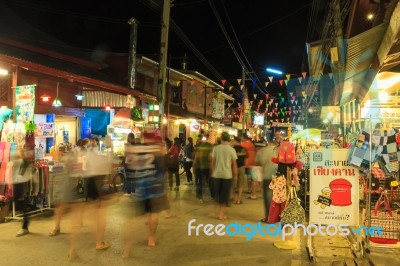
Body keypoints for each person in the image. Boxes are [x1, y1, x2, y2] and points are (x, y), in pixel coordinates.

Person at [122, 132, 169, 257]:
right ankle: (151, 239)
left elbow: (130, 168)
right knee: (153, 214)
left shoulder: (137, 150)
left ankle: (127, 250)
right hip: (154, 187)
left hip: (139, 186)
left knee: (131, 219)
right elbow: (163, 172)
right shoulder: (158, 152)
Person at [210, 132, 238, 220]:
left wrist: (213, 172)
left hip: (216, 175)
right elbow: (234, 164)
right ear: (229, 139)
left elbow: (212, 162)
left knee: (216, 194)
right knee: (224, 195)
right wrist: (235, 175)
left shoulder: (216, 149)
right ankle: (221, 214)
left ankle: (214, 211)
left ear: (221, 139)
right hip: (227, 175)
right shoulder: (231, 150)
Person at [254, 138, 278, 223]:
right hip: (279, 178)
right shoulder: (279, 150)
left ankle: (269, 217)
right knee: (278, 198)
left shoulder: (265, 150)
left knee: (268, 198)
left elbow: (261, 162)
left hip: (268, 176)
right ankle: (277, 217)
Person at [193, 134, 213, 203]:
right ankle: (212, 196)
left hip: (199, 167)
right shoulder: (210, 146)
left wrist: (194, 166)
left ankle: (200, 197)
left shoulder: (198, 145)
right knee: (210, 182)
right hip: (207, 167)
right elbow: (211, 157)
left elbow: (196, 156)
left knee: (199, 182)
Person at [231, 136, 247, 205]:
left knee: (232, 183)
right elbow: (246, 157)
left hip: (233, 167)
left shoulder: (232, 149)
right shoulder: (244, 149)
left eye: (233, 141)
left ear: (236, 141)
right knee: (240, 184)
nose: (232, 142)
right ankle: (238, 200)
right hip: (242, 167)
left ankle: (232, 197)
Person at [241, 133, 256, 199]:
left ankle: (249, 189)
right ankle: (250, 190)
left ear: (243, 138)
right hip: (252, 161)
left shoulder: (244, 144)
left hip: (247, 162)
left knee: (249, 177)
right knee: (251, 177)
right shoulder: (252, 144)